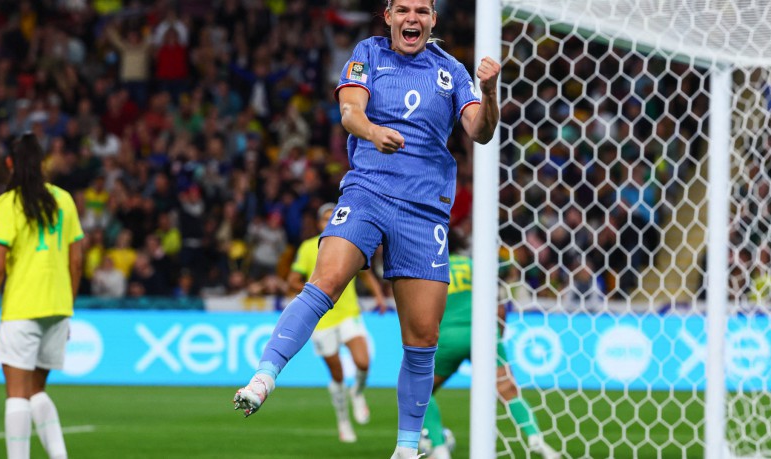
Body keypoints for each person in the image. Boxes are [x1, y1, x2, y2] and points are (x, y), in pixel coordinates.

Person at [233, 0, 501, 457]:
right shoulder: (368, 53)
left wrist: (490, 92)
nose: (411, 18)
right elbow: (350, 112)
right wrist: (373, 132)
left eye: (421, 10)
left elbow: (480, 131)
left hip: (424, 210)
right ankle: (264, 375)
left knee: (423, 338)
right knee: (327, 279)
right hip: (368, 192)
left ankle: (405, 448)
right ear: (389, 15)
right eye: (403, 9)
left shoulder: (452, 71)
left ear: (433, 19)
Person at [421, 230, 560, 459]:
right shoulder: (473, 265)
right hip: (484, 332)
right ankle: (536, 439)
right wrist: (497, 336)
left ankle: (439, 447)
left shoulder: (431, 269)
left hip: (449, 335)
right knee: (508, 390)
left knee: (422, 390)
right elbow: (499, 307)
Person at [0, 133, 84, 459]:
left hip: (21, 307)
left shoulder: (7, 204)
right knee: (36, 392)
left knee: (16, 394)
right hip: (58, 307)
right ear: (43, 162)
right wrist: (68, 307)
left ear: (9, 164)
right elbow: (76, 261)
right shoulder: (65, 200)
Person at [287, 202, 388, 443]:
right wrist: (310, 292)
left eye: (332, 217)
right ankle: (343, 420)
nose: (328, 221)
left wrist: (378, 296)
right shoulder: (309, 247)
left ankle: (359, 392)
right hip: (321, 320)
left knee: (363, 361)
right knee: (338, 374)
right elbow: (292, 278)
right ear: (319, 222)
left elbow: (365, 272)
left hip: (348, 312)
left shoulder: (349, 242)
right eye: (324, 218)